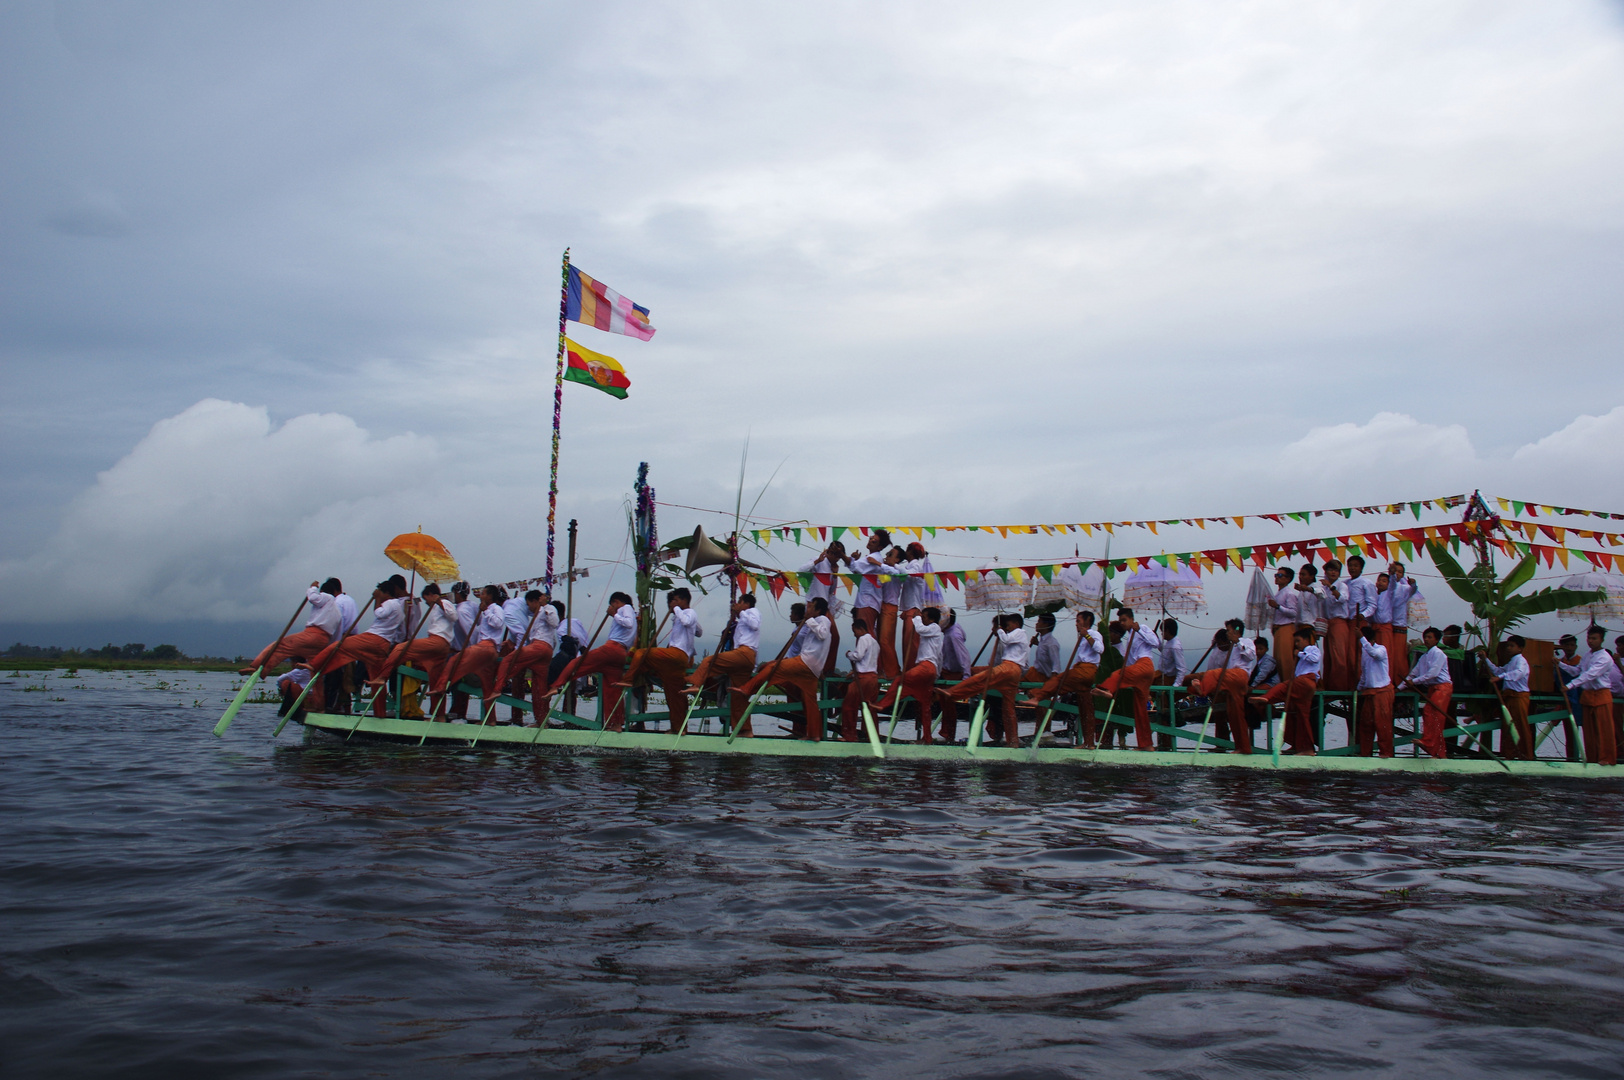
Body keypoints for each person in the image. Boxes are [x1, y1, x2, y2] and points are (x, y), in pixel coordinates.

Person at [304, 576, 412, 718]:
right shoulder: (399, 607)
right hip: (383, 645)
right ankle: (380, 714)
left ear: (386, 592)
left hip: (372, 639)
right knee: (376, 679)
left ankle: (315, 665)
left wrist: (377, 599)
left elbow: (379, 613)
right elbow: (400, 631)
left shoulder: (390, 603)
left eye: (380, 592)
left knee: (338, 645)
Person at [731, 596, 831, 739]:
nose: (807, 610)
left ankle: (747, 689)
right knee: (810, 702)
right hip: (813, 668)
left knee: (773, 669)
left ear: (818, 610)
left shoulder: (823, 620)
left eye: (810, 607)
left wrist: (808, 620)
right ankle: (814, 735)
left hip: (806, 662)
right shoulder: (814, 623)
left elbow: (822, 634)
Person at [546, 592, 638, 731]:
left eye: (612, 605)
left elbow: (628, 623)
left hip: (611, 648)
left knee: (576, 663)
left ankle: (555, 686)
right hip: (620, 654)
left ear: (616, 602)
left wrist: (614, 614)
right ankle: (616, 724)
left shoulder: (625, 609)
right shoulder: (634, 615)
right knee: (612, 689)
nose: (611, 608)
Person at [622, 588, 702, 734]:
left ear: (684, 600)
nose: (673, 604)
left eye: (676, 600)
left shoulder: (689, 613)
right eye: (672, 602)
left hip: (678, 655)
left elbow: (687, 620)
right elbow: (699, 631)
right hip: (674, 661)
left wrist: (677, 609)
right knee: (674, 696)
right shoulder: (681, 616)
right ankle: (679, 728)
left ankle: (628, 679)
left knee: (641, 653)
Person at [942, 613, 1027, 748]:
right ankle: (1013, 741)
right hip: (1011, 672)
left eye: (994, 627)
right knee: (1008, 708)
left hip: (1008, 668)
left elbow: (1006, 641)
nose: (992, 630)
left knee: (979, 679)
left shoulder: (1017, 633)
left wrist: (999, 630)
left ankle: (953, 692)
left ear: (1014, 625)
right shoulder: (1013, 639)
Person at [1022, 610, 1104, 747]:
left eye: (1078, 621)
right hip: (1080, 668)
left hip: (1086, 670)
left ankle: (1038, 697)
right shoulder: (1081, 637)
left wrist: (1088, 636)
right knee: (1085, 708)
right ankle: (1089, 743)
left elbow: (1100, 649)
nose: (1076, 624)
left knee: (1058, 680)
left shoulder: (1094, 634)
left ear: (1087, 620)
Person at [432, 585, 508, 721]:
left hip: (486, 647)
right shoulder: (481, 608)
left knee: (454, 660)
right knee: (486, 687)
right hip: (486, 648)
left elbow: (498, 623)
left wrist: (486, 612)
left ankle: (441, 687)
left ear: (490, 597)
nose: (480, 595)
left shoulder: (496, 609)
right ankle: (491, 720)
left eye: (484, 593)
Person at [370, 583, 459, 697]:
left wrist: (440, 602)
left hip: (437, 642)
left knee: (399, 648)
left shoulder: (444, 603)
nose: (426, 603)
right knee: (434, 680)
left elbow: (454, 616)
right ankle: (439, 714)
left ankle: (383, 676)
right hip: (439, 645)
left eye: (426, 599)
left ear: (431, 594)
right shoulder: (435, 608)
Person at [241, 578, 345, 675]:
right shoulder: (338, 611)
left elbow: (313, 598)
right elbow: (337, 634)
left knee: (280, 646)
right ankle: (317, 693)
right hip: (323, 641)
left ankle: (257, 667)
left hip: (312, 635)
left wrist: (313, 588)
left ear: (323, 591)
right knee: (314, 671)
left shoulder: (326, 597)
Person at [488, 589, 559, 726]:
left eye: (529, 604)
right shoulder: (536, 615)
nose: (529, 608)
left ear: (535, 601)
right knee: (539, 690)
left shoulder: (548, 608)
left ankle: (498, 689)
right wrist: (510, 642)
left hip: (540, 647)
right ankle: (541, 721)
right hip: (544, 651)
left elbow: (555, 622)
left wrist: (545, 606)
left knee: (508, 660)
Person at [874, 606, 945, 743]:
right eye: (922, 617)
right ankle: (927, 738)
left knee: (900, 680)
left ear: (931, 619)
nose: (922, 619)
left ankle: (882, 704)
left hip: (926, 667)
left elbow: (919, 629)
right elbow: (940, 657)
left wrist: (916, 617)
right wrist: (936, 675)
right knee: (925, 705)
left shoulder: (935, 628)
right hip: (930, 670)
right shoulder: (933, 634)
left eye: (924, 617)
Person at [1181, 620, 1252, 754]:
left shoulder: (1246, 642)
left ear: (1236, 631)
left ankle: (1202, 690)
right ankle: (1243, 747)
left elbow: (1250, 655)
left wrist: (1238, 642)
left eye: (1229, 630)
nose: (1227, 633)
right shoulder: (1224, 649)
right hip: (1227, 683)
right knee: (1235, 715)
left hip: (1239, 676)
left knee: (1216, 673)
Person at [1093, 607, 1159, 750]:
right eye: (1121, 621)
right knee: (1140, 710)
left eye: (1124, 620)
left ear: (1131, 619)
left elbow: (1156, 643)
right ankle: (1146, 744)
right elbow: (1129, 662)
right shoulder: (1129, 638)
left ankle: (1107, 690)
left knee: (1118, 675)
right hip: (1139, 670)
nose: (1122, 623)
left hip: (1145, 664)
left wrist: (1139, 630)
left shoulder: (1142, 628)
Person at [1252, 626, 1320, 754]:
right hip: (1300, 682)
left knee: (1285, 686)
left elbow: (1314, 659)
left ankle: (1268, 698)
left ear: (1306, 640)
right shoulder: (1302, 654)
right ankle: (1299, 745)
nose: (1297, 644)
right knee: (1296, 714)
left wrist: (1299, 654)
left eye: (1298, 641)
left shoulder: (1312, 649)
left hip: (1306, 682)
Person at [1557, 625, 1618, 766]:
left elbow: (1590, 675)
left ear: (1601, 640)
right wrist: (1560, 664)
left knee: (1603, 730)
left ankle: (1607, 759)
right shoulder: (1587, 655)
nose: (1591, 641)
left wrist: (1570, 685)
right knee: (1589, 732)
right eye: (1589, 638)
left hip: (1601, 694)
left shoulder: (1604, 657)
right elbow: (1576, 671)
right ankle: (1592, 758)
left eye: (1594, 638)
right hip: (1588, 695)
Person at [687, 593, 760, 697]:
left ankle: (696, 684)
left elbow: (755, 625)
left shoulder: (752, 611)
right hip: (742, 656)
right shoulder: (740, 622)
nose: (738, 605)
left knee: (708, 661)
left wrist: (741, 612)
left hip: (744, 653)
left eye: (740, 602)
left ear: (747, 604)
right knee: (737, 698)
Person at [846, 531, 897, 678]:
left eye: (874, 541)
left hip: (868, 602)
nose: (870, 541)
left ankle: (870, 668)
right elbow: (856, 567)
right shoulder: (871, 558)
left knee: (865, 635)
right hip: (866, 601)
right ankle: (864, 667)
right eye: (870, 538)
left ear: (880, 546)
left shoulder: (874, 558)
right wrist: (852, 560)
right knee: (862, 634)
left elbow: (856, 567)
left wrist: (843, 556)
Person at [1396, 626, 1451, 759]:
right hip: (1433, 688)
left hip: (1443, 688)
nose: (1426, 639)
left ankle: (1428, 742)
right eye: (1425, 637)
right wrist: (1398, 688)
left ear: (1437, 640)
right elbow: (1412, 674)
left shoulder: (1439, 654)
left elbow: (1432, 674)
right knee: (1433, 716)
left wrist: (1414, 682)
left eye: (1430, 637)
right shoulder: (1424, 657)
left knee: (1431, 713)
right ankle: (1439, 753)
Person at [1479, 636, 1532, 760]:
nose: (1508, 648)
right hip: (1509, 697)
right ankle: (1510, 754)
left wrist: (1500, 678)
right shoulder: (1511, 662)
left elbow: (1519, 673)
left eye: (1512, 646)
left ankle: (1525, 755)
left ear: (1520, 648)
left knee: (1520, 725)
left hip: (1518, 697)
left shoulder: (1521, 661)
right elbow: (1498, 671)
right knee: (1509, 726)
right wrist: (1485, 659)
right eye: (1508, 645)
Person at [798, 542, 845, 676]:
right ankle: (808, 666)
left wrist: (835, 575)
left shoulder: (832, 567)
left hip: (825, 607)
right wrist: (817, 561)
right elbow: (801, 571)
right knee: (809, 637)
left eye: (839, 557)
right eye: (836, 555)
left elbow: (831, 591)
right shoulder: (819, 560)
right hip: (814, 604)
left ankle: (827, 669)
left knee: (834, 637)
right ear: (829, 551)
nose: (837, 559)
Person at [838, 616, 880, 742]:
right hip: (873, 678)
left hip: (863, 679)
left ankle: (850, 735)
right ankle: (872, 736)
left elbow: (858, 656)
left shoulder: (863, 639)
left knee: (849, 706)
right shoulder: (875, 642)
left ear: (860, 629)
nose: (854, 635)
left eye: (854, 631)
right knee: (870, 708)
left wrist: (849, 654)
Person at [1356, 624, 1395, 758]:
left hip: (1382, 691)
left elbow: (1375, 655)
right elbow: (1364, 674)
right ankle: (1365, 753)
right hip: (1370, 692)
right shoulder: (1364, 653)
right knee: (1366, 724)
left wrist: (1361, 639)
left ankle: (1386, 753)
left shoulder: (1381, 649)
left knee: (1382, 724)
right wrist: (1358, 688)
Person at [1382, 562, 1420, 685]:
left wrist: (1413, 583)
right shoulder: (1384, 587)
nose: (1397, 574)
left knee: (1398, 658)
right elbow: (1391, 587)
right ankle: (1386, 682)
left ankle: (1399, 684)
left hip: (1399, 627)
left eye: (1400, 572)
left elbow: (1413, 590)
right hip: (1386, 627)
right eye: (1395, 571)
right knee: (1386, 657)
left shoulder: (1404, 588)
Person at [1319, 560, 1355, 692]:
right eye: (1330, 570)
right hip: (1328, 624)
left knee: (1339, 656)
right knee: (1328, 657)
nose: (1333, 572)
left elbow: (1343, 599)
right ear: (1326, 572)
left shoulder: (1341, 585)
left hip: (1339, 622)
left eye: (1336, 570)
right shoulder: (1323, 588)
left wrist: (1331, 587)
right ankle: (1329, 686)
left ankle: (1340, 687)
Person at [1266, 566, 1299, 681]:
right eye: (1276, 575)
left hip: (1286, 627)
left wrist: (1278, 607)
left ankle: (1288, 683)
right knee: (1278, 659)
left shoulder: (1289, 594)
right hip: (1278, 629)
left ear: (1288, 579)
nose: (1277, 578)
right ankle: (1282, 683)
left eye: (1280, 576)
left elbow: (1294, 613)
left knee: (1285, 659)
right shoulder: (1278, 593)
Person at [1027, 613, 1062, 684]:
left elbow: (1056, 665)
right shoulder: (1043, 641)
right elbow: (1044, 650)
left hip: (1043, 677)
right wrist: (1038, 643)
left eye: (1039, 621)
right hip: (1035, 673)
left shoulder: (1052, 643)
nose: (1036, 624)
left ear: (1045, 624)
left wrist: (1052, 683)